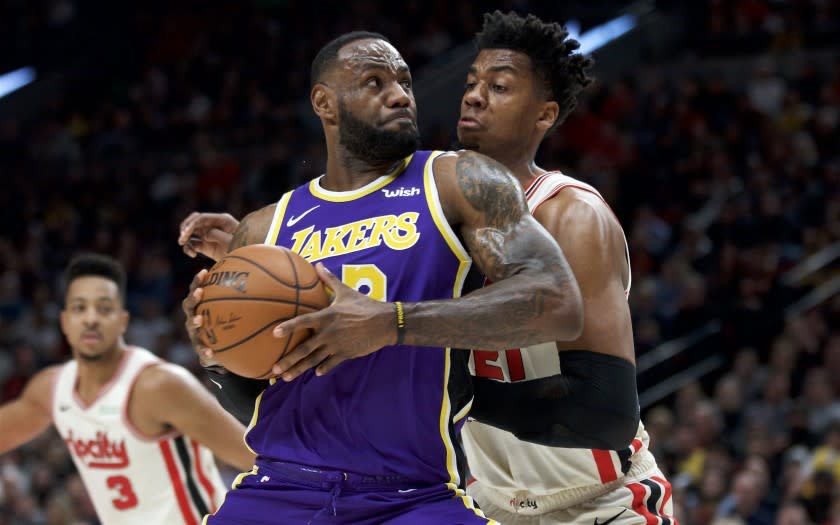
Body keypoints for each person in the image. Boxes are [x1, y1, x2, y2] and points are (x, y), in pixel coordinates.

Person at [181, 31, 584, 525]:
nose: (399, 94)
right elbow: (257, 402)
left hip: (413, 495)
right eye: (375, 81)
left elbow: (558, 301)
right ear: (324, 103)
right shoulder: (265, 228)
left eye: (404, 81)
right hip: (278, 488)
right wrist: (215, 350)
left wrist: (391, 323)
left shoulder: (457, 180)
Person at [455, 11, 676, 525]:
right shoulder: (430, 214)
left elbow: (605, 413)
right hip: (489, 503)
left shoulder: (572, 216)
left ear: (545, 115)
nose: (474, 95)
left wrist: (452, 392)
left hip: (602, 501)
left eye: (500, 86)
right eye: (472, 83)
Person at [0, 253, 255, 525]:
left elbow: (255, 459)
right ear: (64, 321)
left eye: (104, 307)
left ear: (122, 320)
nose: (91, 319)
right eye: (79, 308)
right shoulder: (52, 389)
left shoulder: (159, 386)